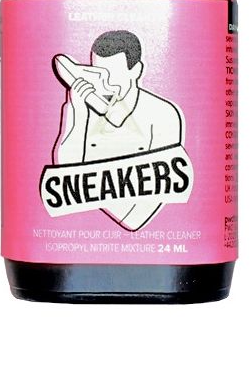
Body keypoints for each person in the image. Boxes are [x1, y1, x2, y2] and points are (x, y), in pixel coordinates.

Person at [53, 30, 184, 230]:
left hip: (150, 238)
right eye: (98, 73)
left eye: (113, 74)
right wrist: (79, 113)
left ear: (136, 70)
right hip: (76, 236)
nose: (105, 83)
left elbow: (138, 216)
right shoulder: (80, 107)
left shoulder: (163, 114)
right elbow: (65, 175)